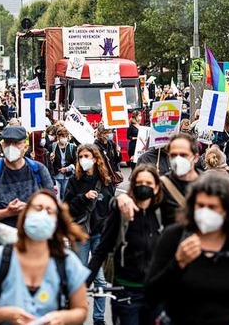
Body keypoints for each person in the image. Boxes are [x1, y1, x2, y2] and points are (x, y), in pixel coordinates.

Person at [144, 172, 229, 324]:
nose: (205, 212)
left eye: (212, 207)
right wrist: (178, 263)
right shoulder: (174, 237)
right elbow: (150, 295)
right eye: (200, 206)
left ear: (228, 210)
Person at [0, 190, 89, 325]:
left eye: (49, 211)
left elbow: (81, 311)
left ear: (56, 223)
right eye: (38, 209)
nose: (43, 215)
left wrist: (62, 318)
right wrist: (7, 314)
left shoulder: (68, 262)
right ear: (25, 215)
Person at [87, 164, 165, 325]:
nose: (144, 187)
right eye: (139, 183)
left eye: (149, 183)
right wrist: (82, 284)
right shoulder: (120, 214)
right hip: (125, 292)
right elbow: (101, 250)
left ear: (157, 188)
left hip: (155, 294)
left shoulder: (163, 214)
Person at [0, 125, 54, 251]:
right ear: (3, 146)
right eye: (8, 143)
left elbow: (53, 208)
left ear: (25, 146)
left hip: (33, 249)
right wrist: (7, 212)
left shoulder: (38, 170)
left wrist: (29, 208)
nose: (12, 147)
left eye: (16, 143)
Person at [63, 143, 115, 325]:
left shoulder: (106, 180)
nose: (84, 160)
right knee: (80, 278)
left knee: (100, 281)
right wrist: (83, 197)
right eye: (81, 156)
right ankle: (76, 315)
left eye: (87, 156)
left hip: (100, 234)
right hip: (80, 233)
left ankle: (99, 319)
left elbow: (111, 207)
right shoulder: (74, 181)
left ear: (95, 158)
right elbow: (67, 208)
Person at [117, 132, 202, 225]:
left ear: (196, 158)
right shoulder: (162, 185)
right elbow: (138, 200)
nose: (178, 159)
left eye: (183, 155)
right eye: (173, 155)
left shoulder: (208, 184)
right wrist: (120, 199)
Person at [49, 126, 76, 200]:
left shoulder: (72, 147)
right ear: (58, 137)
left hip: (67, 176)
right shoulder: (52, 147)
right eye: (61, 136)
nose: (63, 138)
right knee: (56, 197)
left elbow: (76, 162)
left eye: (65, 136)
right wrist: (51, 158)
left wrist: (67, 169)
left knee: (65, 197)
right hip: (56, 176)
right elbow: (49, 163)